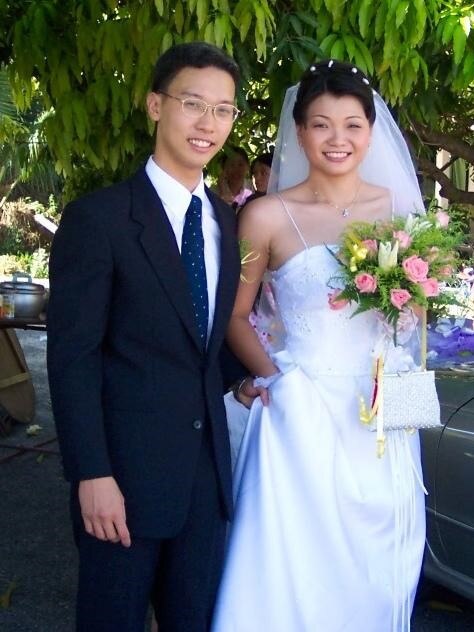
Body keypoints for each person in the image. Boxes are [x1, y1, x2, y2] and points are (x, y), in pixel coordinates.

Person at [211, 60, 427, 631]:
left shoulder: (401, 211)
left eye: (353, 125)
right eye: (322, 125)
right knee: (296, 571)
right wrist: (280, 384)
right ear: (300, 131)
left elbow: (417, 322)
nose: (339, 139)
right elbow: (234, 316)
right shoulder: (263, 217)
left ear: (371, 131)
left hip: (385, 410)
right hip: (300, 414)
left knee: (385, 563)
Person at [47, 41, 242, 632]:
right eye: (192, 103)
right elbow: (73, 357)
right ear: (156, 105)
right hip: (122, 484)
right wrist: (91, 473)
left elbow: (202, 339)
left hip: (204, 485)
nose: (207, 123)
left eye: (224, 110)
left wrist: (243, 378)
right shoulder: (98, 219)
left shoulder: (227, 222)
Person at [215, 146, 253, 211]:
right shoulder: (213, 192)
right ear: (223, 167)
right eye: (231, 164)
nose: (236, 170)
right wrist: (223, 191)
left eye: (240, 164)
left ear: (247, 167)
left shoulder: (253, 187)